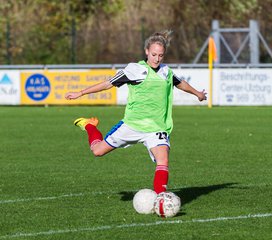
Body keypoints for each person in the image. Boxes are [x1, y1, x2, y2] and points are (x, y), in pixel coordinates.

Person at [65, 30, 207, 194]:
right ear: (147, 51)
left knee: (163, 160)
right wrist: (81, 93)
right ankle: (90, 126)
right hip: (132, 125)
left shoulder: (166, 72)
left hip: (156, 128)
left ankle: (161, 200)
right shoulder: (135, 70)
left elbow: (180, 83)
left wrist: (198, 94)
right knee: (97, 151)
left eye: (161, 55)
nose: (157, 58)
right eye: (154, 54)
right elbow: (108, 84)